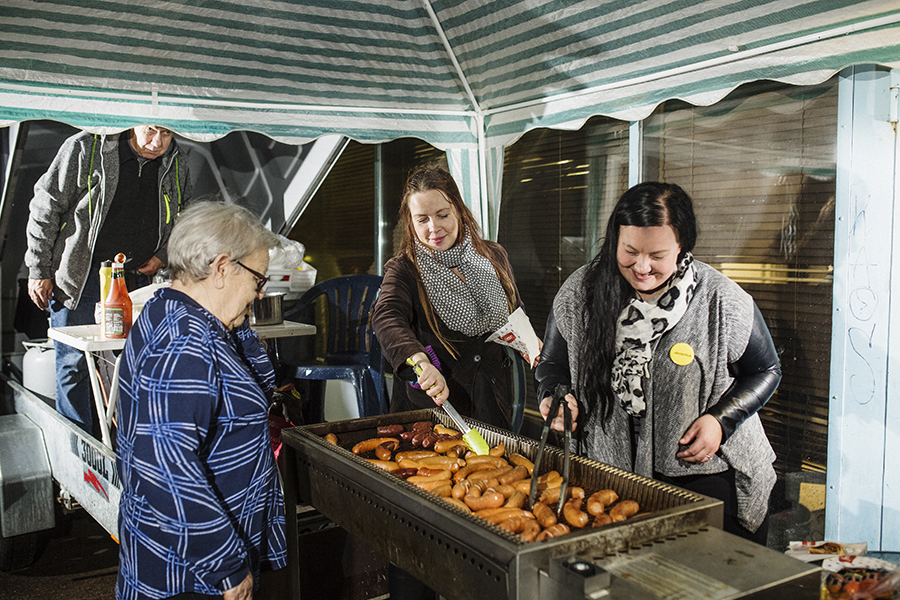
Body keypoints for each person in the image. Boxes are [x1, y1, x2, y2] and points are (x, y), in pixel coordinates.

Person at [535, 181, 780, 544]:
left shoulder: (720, 299)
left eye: (658, 255)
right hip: (610, 472)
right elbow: (552, 364)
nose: (642, 267)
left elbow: (766, 371)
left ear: (682, 247)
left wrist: (721, 420)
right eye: (629, 251)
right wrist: (554, 396)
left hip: (703, 475)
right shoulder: (581, 291)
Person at [372, 166, 537, 600]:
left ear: (459, 209)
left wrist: (528, 341)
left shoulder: (493, 255)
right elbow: (387, 316)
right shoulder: (405, 269)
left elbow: (512, 310)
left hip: (492, 403)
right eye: (421, 219)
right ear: (410, 221)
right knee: (420, 524)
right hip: (435, 408)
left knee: (489, 509)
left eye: (441, 215)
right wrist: (417, 361)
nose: (433, 228)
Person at [116, 202, 285, 600]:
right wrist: (225, 566)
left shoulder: (177, 311)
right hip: (189, 575)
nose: (260, 293)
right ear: (223, 268)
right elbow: (166, 466)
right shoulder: (186, 344)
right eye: (258, 279)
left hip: (188, 556)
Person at [24, 124, 193, 434]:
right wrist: (39, 269)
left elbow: (184, 215)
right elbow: (45, 207)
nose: (158, 143)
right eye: (151, 131)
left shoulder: (176, 160)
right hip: (80, 277)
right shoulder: (85, 147)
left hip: (135, 279)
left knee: (135, 363)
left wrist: (163, 254)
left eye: (167, 134)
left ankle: (131, 445)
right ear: (131, 122)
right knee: (73, 364)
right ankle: (82, 456)